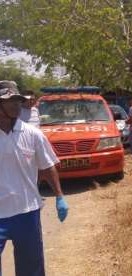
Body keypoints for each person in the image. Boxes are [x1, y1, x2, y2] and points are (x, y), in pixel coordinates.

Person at [0, 80, 68, 276]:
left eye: (17, 100)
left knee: (31, 269)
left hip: (26, 212)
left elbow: (47, 165)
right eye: (9, 100)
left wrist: (59, 196)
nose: (16, 104)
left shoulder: (32, 134)